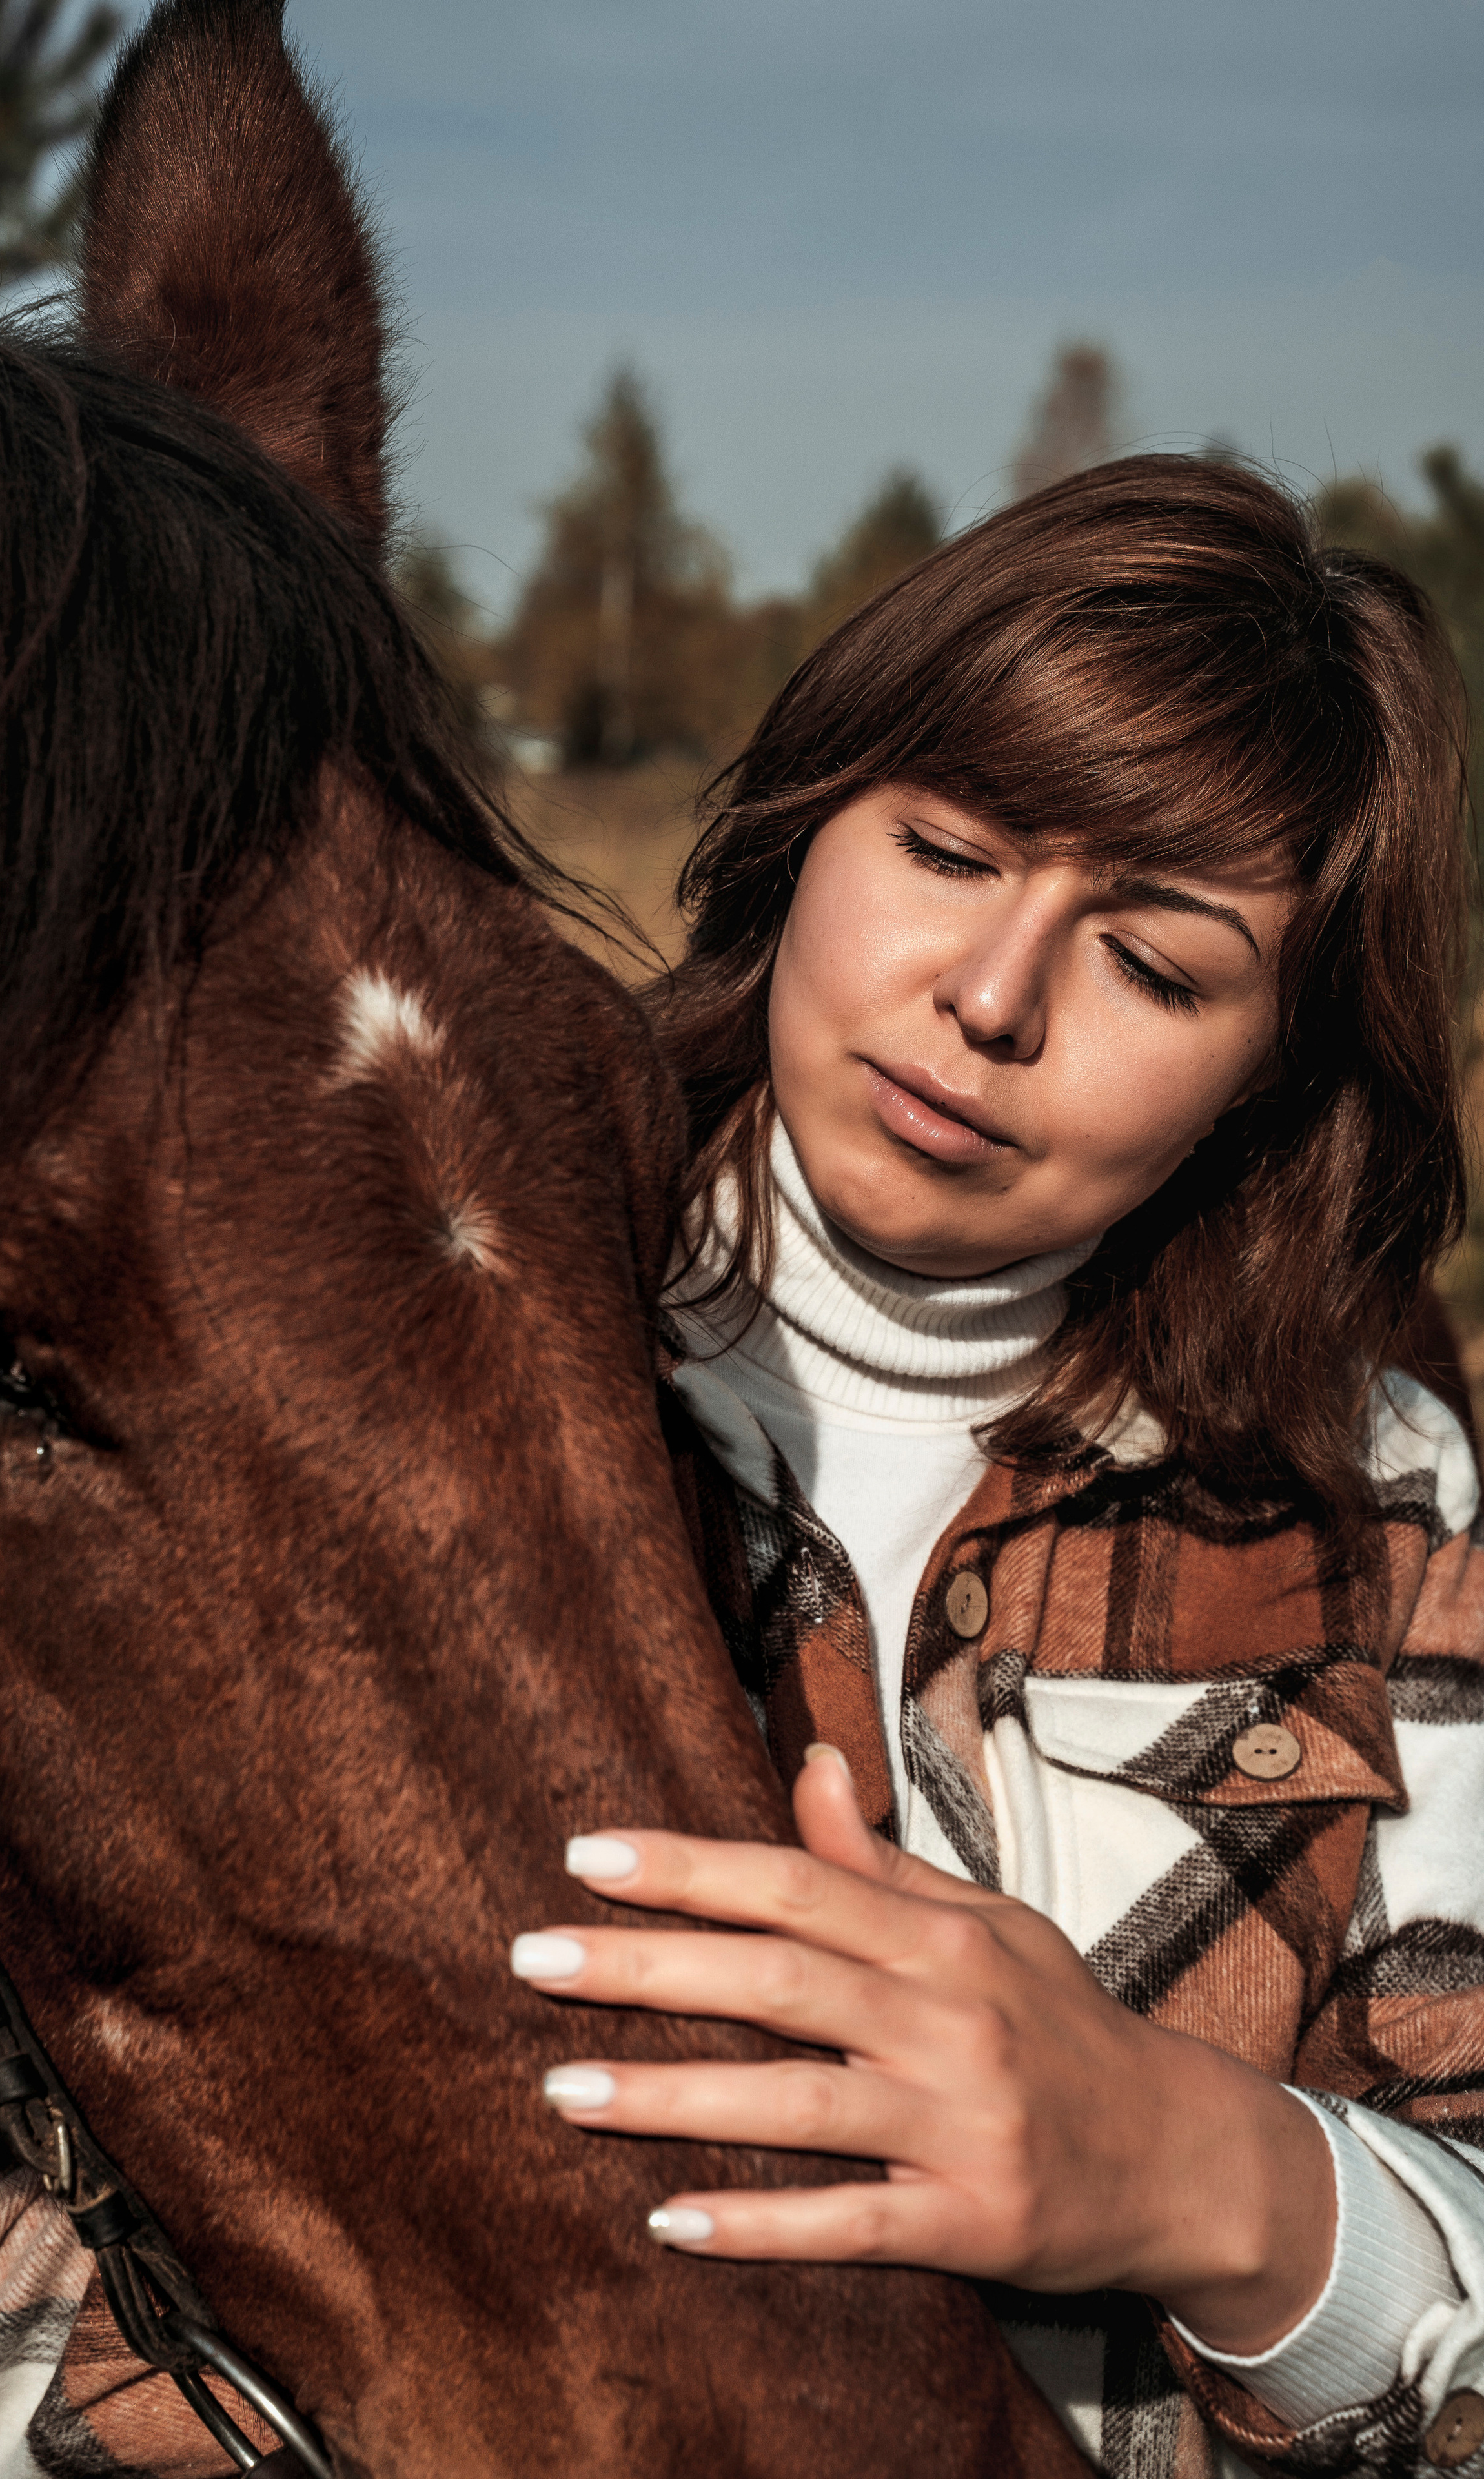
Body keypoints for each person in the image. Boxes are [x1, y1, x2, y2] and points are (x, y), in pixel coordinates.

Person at [508, 454, 1484, 2479]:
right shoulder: (427, 1345)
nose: (990, 998)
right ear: (806, 818)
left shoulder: (1381, 1503)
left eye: (1156, 966)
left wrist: (1198, 2175)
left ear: (1271, 1078)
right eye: (947, 849)